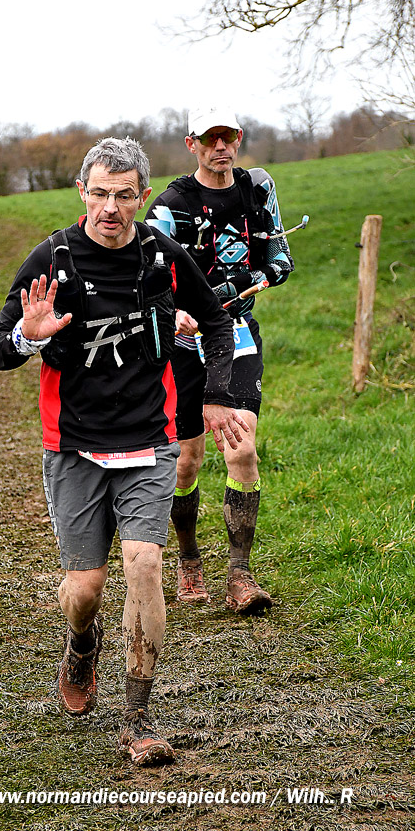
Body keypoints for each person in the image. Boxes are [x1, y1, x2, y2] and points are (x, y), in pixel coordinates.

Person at [0, 137, 247, 766]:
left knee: (143, 564)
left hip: (148, 438)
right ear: (82, 192)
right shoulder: (52, 258)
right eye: (99, 193)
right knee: (84, 590)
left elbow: (215, 320)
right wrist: (28, 336)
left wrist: (215, 397)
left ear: (143, 197)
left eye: (124, 196)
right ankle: (82, 643)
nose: (110, 207)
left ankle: (137, 720)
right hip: (74, 443)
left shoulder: (161, 255)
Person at [145, 106, 294, 614]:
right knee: (186, 462)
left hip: (238, 334)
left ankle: (239, 574)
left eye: (227, 136)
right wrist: (175, 312)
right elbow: (146, 279)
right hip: (186, 344)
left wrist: (235, 289)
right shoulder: (171, 206)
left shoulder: (258, 189)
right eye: (209, 138)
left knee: (242, 450)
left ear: (239, 137)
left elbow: (281, 261)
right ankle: (188, 558)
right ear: (192, 144)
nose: (220, 147)